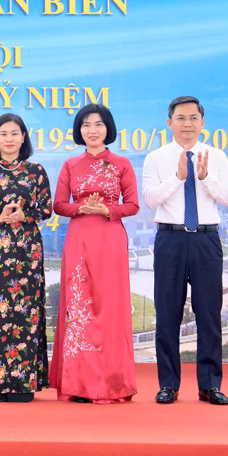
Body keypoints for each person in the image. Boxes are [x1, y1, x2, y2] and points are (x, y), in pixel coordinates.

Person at [142, 96, 228, 405]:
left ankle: (210, 385)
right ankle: (168, 384)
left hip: (206, 240)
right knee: (167, 313)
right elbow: (150, 199)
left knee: (209, 313)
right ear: (169, 123)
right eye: (180, 118)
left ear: (202, 123)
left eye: (193, 118)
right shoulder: (156, 158)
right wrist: (178, 177)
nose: (187, 124)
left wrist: (205, 177)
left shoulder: (217, 156)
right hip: (170, 239)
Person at [49, 104, 139, 404]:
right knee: (79, 310)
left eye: (99, 124)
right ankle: (80, 385)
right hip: (79, 239)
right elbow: (59, 205)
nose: (92, 130)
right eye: (86, 125)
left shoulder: (122, 164)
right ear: (79, 130)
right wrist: (81, 208)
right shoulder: (70, 165)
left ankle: (112, 384)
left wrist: (107, 209)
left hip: (111, 239)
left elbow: (133, 205)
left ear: (108, 129)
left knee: (110, 310)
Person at [0, 113, 53, 402]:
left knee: (25, 311)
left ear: (24, 137)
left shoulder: (36, 171)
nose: (9, 139)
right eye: (3, 133)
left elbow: (46, 208)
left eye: (15, 133)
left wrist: (24, 215)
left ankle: (23, 385)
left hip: (27, 248)